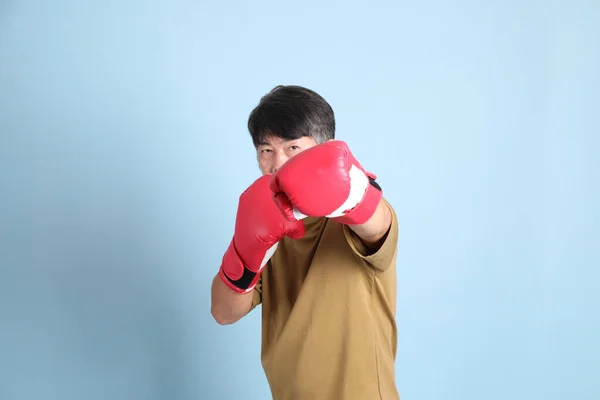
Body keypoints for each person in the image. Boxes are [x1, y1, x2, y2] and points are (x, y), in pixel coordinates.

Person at [210, 85, 400, 400]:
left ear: (323, 148)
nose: (277, 163)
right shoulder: (264, 225)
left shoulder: (355, 219)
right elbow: (223, 312)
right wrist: (246, 253)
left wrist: (353, 190)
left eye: (292, 148)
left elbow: (377, 224)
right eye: (265, 151)